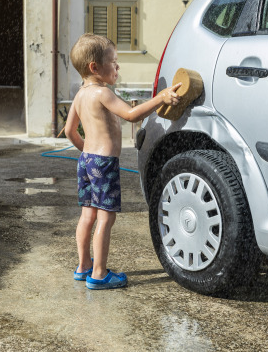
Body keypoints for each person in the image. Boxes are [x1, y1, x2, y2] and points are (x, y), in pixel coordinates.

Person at [65, 33, 181, 290]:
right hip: (104, 164)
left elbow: (69, 130)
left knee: (87, 215)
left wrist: (87, 152)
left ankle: (83, 266)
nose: (117, 67)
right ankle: (98, 274)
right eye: (113, 62)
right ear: (94, 68)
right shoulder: (102, 93)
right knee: (106, 218)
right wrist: (160, 98)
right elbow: (130, 114)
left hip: (86, 162)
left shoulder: (80, 95)